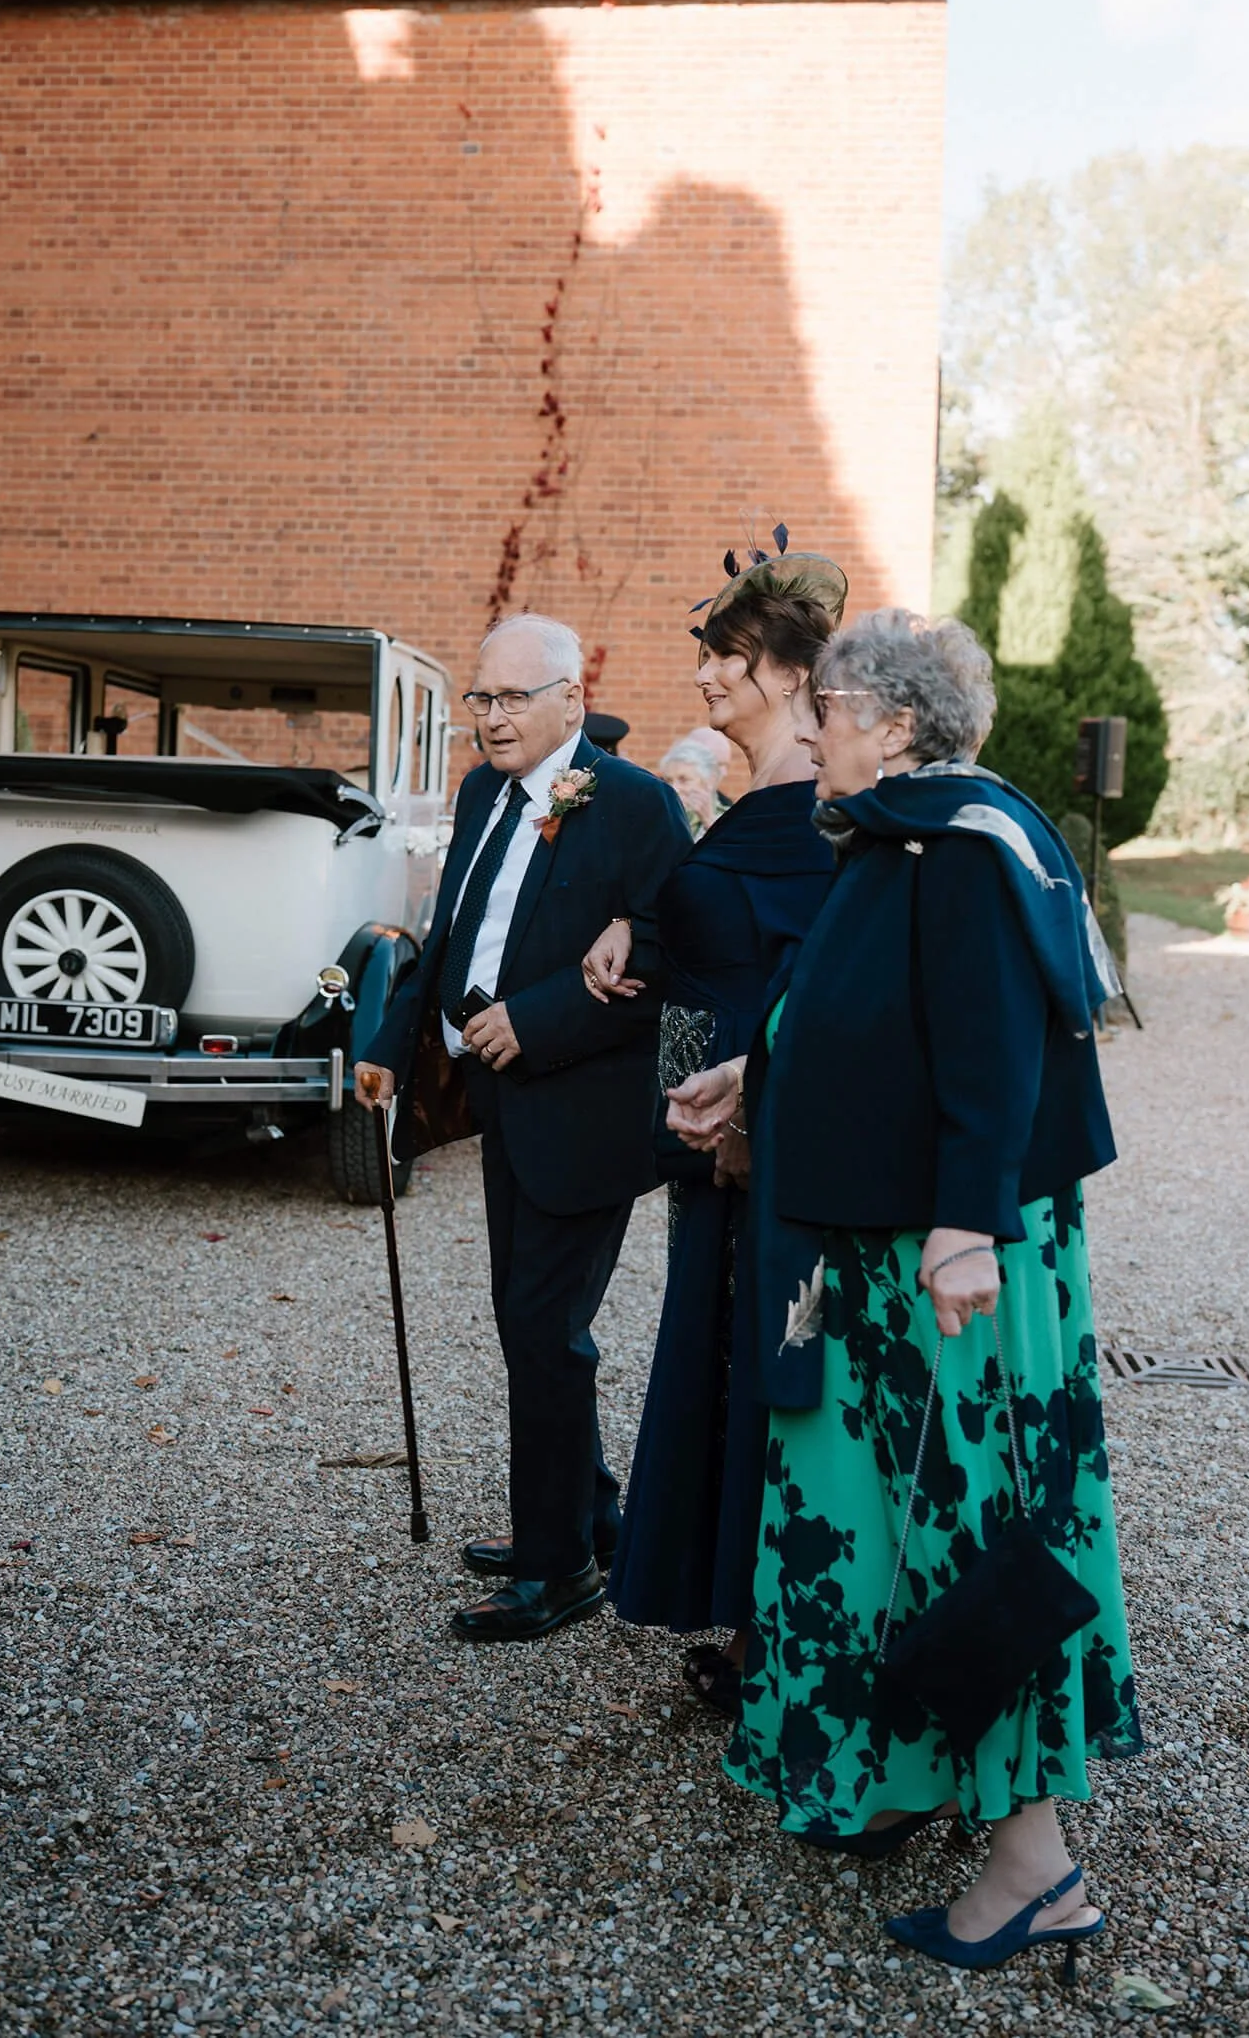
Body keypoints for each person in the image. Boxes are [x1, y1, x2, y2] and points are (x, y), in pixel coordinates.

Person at [668, 609, 1140, 1979]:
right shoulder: (902, 837)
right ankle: (911, 1773)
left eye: (829, 708)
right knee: (886, 1523)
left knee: (973, 1533)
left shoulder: (962, 842)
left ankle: (1035, 1866)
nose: (808, 729)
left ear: (896, 723)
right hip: (879, 1253)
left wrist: (962, 1231)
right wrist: (758, 1075)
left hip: (946, 1260)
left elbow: (991, 1048)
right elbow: (871, 1011)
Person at [354, 614, 691, 1644]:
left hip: (589, 1114)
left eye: (511, 699)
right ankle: (584, 1516)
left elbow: (673, 961)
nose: (490, 720)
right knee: (527, 1325)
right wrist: (394, 1040)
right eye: (481, 701)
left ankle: (558, 1571)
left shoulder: (637, 806)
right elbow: (455, 929)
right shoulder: (480, 794)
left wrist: (535, 1019)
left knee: (544, 1336)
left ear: (571, 702)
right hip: (504, 1108)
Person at [582, 551, 843, 1715]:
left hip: (764, 1138)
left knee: (768, 1368)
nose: (699, 678)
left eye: (720, 659)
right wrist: (632, 928)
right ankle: (745, 1611)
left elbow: (808, 979)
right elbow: (701, 930)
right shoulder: (745, 802)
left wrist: (752, 1103)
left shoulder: (818, 815)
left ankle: (780, 1629)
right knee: (719, 1360)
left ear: (786, 673)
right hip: (708, 1128)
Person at [656, 728, 733, 838]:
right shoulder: (658, 814)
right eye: (668, 780)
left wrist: (709, 822)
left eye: (684, 780)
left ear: (709, 781)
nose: (674, 788)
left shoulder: (731, 818)